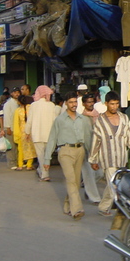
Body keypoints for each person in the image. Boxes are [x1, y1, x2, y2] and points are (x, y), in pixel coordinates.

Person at [44, 91, 92, 220]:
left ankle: (67, 205)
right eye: (70, 102)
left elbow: (87, 138)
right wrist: (47, 159)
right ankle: (77, 209)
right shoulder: (60, 120)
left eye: (75, 102)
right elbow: (52, 138)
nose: (73, 104)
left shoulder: (83, 119)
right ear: (66, 104)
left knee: (75, 182)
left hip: (80, 150)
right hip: (65, 151)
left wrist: (92, 156)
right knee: (71, 179)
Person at [89, 91, 130, 217]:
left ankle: (109, 205)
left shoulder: (124, 118)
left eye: (116, 104)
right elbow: (96, 140)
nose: (114, 106)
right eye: (112, 104)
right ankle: (104, 207)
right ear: (106, 104)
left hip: (121, 158)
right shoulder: (100, 120)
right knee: (112, 185)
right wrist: (93, 159)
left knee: (118, 183)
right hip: (107, 158)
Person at [25, 85, 59, 181]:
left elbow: (30, 120)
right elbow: (54, 120)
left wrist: (27, 132)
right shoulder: (52, 105)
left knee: (40, 156)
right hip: (49, 134)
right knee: (47, 155)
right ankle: (42, 171)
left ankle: (44, 174)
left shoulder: (33, 105)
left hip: (37, 134)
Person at [80, 93, 102, 204]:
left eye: (92, 101)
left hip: (97, 150)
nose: (91, 104)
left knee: (100, 173)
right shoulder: (81, 118)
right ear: (84, 104)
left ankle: (87, 189)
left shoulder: (98, 116)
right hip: (85, 150)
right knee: (89, 174)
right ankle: (95, 197)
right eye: (88, 102)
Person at [1, 87, 21, 170]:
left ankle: (17, 161)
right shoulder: (8, 104)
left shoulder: (19, 103)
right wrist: (8, 128)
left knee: (17, 146)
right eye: (15, 92)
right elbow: (7, 116)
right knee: (11, 146)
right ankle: (11, 163)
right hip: (10, 128)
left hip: (18, 128)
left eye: (18, 92)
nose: (17, 94)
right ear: (12, 93)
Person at [13, 95, 35, 170]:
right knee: (31, 148)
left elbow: (16, 123)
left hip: (21, 131)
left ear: (19, 102)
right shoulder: (31, 108)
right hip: (30, 130)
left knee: (21, 149)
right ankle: (29, 165)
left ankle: (20, 165)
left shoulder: (17, 110)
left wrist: (16, 134)